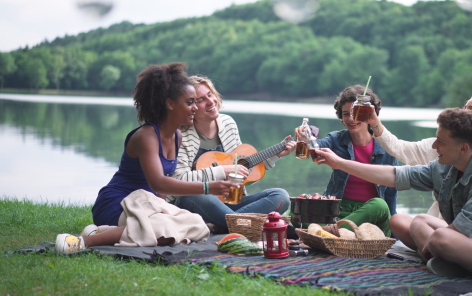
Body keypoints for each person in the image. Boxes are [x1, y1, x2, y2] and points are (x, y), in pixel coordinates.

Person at [315, 108, 472, 281]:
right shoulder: (445, 166)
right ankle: (444, 261)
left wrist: (428, 247)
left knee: (442, 238)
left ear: (464, 148)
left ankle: (440, 259)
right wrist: (341, 164)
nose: (434, 146)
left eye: (441, 142)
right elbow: (395, 175)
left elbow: (464, 227)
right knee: (416, 221)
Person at [55, 63, 238, 254]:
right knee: (163, 226)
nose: (194, 108)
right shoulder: (146, 136)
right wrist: (208, 187)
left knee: (195, 223)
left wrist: (164, 209)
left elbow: (159, 195)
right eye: (190, 102)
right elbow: (159, 183)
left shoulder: (177, 136)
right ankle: (82, 242)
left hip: (149, 205)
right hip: (120, 204)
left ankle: (104, 233)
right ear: (170, 103)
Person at [368, 94, 472, 243]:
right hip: (434, 226)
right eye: (465, 107)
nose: (464, 112)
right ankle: (433, 247)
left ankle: (437, 248)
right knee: (398, 221)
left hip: (470, 237)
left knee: (428, 229)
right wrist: (374, 122)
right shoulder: (441, 147)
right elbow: (400, 150)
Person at [169, 75, 295, 233]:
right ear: (190, 106)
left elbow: (243, 170)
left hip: (229, 202)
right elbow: (177, 180)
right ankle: (248, 227)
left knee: (280, 195)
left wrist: (276, 156)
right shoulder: (180, 134)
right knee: (194, 194)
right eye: (201, 100)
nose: (211, 101)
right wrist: (223, 171)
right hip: (195, 204)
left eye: (210, 94)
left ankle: (220, 227)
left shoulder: (228, 124)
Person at [296, 85, 399, 237]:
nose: (351, 119)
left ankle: (327, 233)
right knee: (297, 209)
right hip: (337, 211)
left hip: (369, 217)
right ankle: (337, 232)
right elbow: (317, 148)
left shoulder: (387, 147)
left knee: (379, 205)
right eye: (345, 114)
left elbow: (390, 196)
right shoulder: (336, 139)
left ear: (369, 114)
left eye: (355, 113)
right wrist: (307, 137)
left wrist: (393, 233)